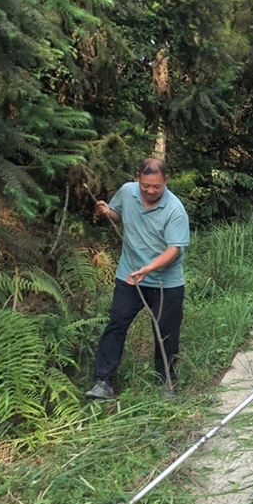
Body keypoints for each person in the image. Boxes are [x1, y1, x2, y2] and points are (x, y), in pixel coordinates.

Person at [84, 158, 191, 400]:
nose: (150, 191)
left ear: (166, 180)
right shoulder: (127, 191)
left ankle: (167, 383)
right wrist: (107, 212)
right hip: (130, 276)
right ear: (137, 178)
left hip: (166, 282)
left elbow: (174, 250)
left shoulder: (175, 209)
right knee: (116, 325)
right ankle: (103, 381)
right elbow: (118, 215)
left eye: (156, 187)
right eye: (145, 186)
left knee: (166, 332)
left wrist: (148, 269)